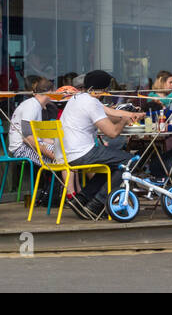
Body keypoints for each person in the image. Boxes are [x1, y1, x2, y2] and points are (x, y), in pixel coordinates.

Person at [60, 69, 142, 219]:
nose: (106, 93)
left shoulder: (77, 98)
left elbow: (107, 112)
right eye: (106, 90)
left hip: (67, 154)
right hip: (82, 153)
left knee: (114, 165)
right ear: (102, 89)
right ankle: (97, 204)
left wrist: (128, 115)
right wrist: (124, 121)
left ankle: (81, 199)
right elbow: (111, 132)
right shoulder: (92, 103)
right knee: (129, 161)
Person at [8, 77, 62, 165]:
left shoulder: (36, 105)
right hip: (21, 148)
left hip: (28, 145)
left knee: (64, 149)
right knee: (64, 156)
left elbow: (39, 137)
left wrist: (57, 142)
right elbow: (27, 137)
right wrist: (50, 154)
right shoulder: (32, 106)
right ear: (49, 92)